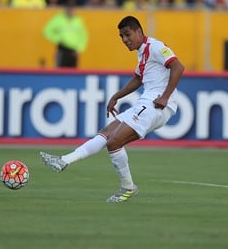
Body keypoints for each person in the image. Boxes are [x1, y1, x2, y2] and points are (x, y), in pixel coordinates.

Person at [39, 15, 185, 202]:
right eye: (121, 37)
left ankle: (127, 187)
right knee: (106, 133)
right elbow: (138, 79)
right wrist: (116, 97)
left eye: (127, 34)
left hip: (156, 105)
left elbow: (178, 67)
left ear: (139, 32)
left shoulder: (155, 46)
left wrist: (165, 97)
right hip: (145, 101)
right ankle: (64, 160)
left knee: (114, 142)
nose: (125, 40)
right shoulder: (142, 52)